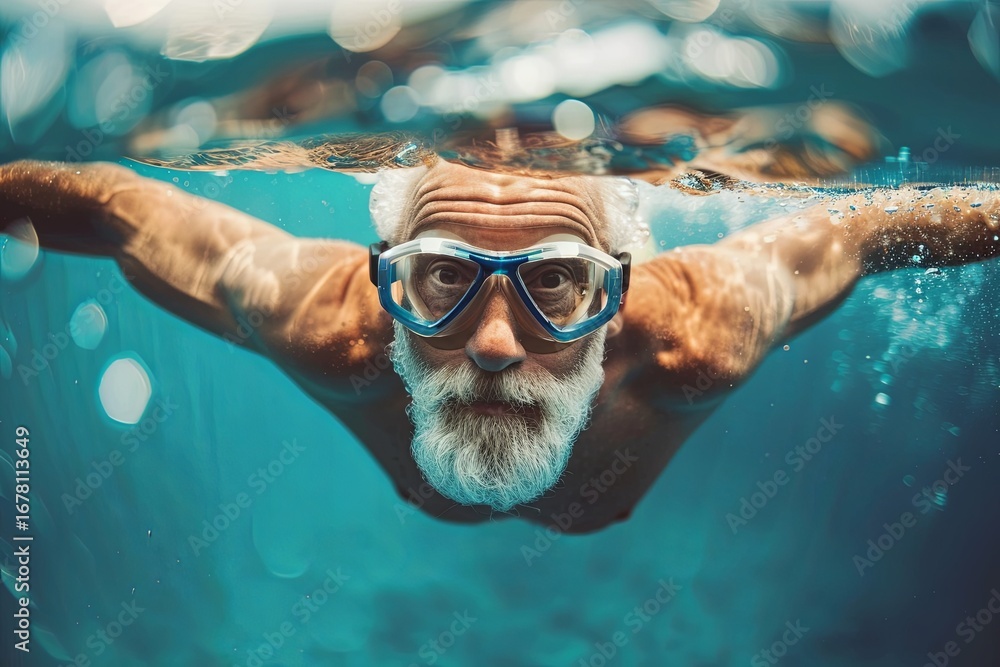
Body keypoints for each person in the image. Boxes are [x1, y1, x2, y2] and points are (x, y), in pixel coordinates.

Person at [2, 158, 998, 531]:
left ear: (618, 296)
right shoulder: (322, 320)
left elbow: (866, 229)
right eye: (440, 277)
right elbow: (121, 207)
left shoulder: (699, 333)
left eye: (556, 281)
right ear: (385, 280)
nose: (488, 343)